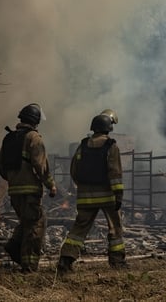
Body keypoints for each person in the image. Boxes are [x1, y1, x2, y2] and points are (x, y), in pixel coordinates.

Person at [57, 109, 126, 273]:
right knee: (115, 227)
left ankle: (65, 260)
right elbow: (115, 173)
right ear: (109, 127)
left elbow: (74, 170)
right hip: (107, 196)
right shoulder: (111, 146)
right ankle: (117, 262)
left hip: (85, 197)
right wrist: (118, 195)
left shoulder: (83, 145)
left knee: (79, 228)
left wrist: (83, 187)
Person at [0, 103, 57, 272]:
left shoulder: (9, 138)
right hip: (31, 191)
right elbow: (41, 165)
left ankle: (14, 246)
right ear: (36, 121)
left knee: (26, 221)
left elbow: (0, 165)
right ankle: (29, 266)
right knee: (36, 224)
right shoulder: (33, 138)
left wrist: (13, 179)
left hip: (14, 191)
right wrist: (51, 185)